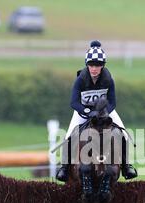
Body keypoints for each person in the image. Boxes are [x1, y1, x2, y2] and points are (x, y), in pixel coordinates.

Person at [56, 40, 137, 182]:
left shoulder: (108, 79)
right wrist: (87, 112)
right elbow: (73, 102)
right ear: (87, 65)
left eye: (98, 65)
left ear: (102, 66)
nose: (94, 68)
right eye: (91, 65)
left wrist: (103, 112)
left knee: (123, 133)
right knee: (69, 136)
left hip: (104, 112)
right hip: (83, 112)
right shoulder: (80, 80)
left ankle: (126, 166)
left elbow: (113, 102)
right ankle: (64, 168)